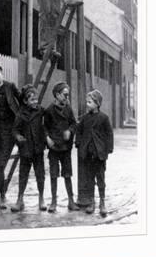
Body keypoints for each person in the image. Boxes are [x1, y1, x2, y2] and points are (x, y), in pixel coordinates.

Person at [0, 64, 21, 212]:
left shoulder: (10, 86)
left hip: (9, 131)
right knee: (0, 163)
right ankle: (2, 196)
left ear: (1, 73)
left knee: (1, 164)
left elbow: (22, 98)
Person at [75, 89, 114, 217]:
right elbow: (79, 132)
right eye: (87, 102)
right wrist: (79, 145)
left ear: (97, 103)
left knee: (100, 178)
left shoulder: (104, 118)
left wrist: (108, 149)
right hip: (88, 154)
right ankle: (92, 201)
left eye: (90, 102)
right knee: (89, 179)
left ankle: (102, 202)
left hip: (99, 154)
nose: (87, 104)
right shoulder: (85, 118)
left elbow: (109, 134)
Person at [44, 82, 79, 213]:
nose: (67, 97)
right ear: (57, 95)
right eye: (65, 95)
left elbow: (74, 123)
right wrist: (47, 138)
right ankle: (53, 201)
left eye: (67, 95)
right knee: (53, 175)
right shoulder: (49, 110)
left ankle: (71, 201)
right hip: (54, 148)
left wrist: (70, 131)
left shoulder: (68, 109)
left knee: (67, 174)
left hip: (66, 149)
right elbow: (44, 127)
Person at [11, 85, 47, 212]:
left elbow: (50, 119)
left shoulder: (41, 111)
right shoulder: (20, 114)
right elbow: (14, 130)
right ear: (25, 101)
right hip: (25, 149)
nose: (35, 102)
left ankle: (41, 198)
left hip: (38, 149)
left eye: (36, 99)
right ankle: (19, 199)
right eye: (32, 100)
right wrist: (18, 136)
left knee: (40, 174)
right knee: (23, 175)